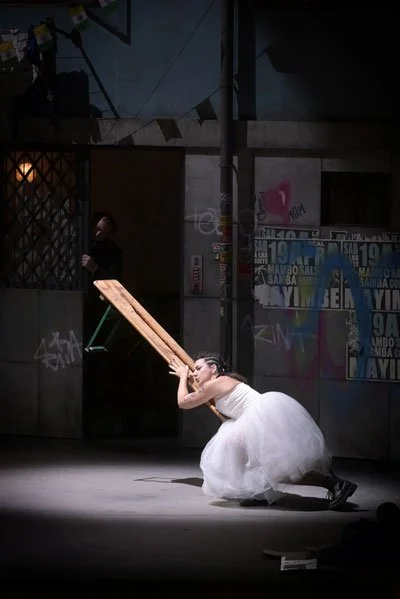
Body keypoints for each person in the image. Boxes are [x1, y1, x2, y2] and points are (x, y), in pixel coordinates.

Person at [169, 351, 358, 510]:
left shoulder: (216, 383)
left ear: (213, 369)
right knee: (256, 462)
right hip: (257, 418)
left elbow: (183, 402)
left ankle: (335, 483)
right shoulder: (220, 383)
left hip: (259, 418)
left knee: (280, 468)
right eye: (193, 370)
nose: (195, 373)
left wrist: (183, 376)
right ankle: (258, 493)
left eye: (198, 368)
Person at [81, 212, 122, 280]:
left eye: (104, 233)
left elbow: (114, 280)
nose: (98, 234)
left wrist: (94, 268)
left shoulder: (113, 252)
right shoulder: (79, 239)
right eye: (98, 229)